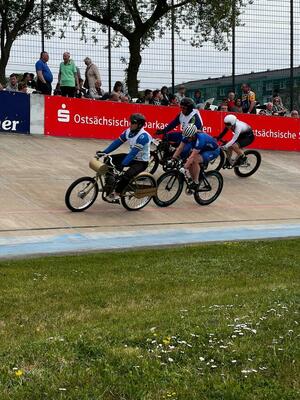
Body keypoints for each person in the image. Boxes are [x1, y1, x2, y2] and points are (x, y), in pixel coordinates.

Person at [97, 113, 152, 202]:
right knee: (108, 159)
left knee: (126, 176)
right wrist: (104, 152)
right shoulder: (128, 131)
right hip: (131, 157)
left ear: (139, 125)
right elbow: (117, 143)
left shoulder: (143, 136)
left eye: (133, 123)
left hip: (141, 162)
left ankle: (117, 194)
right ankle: (109, 184)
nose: (130, 124)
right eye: (130, 122)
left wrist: (123, 164)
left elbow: (133, 153)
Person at [169, 125, 220, 190]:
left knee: (194, 159)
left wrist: (184, 168)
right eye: (186, 137)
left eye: (188, 137)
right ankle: (193, 179)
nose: (187, 139)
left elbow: (192, 157)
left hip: (213, 151)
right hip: (203, 149)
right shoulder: (187, 136)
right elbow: (180, 148)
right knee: (189, 161)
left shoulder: (200, 139)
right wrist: (172, 159)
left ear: (193, 135)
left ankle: (196, 182)